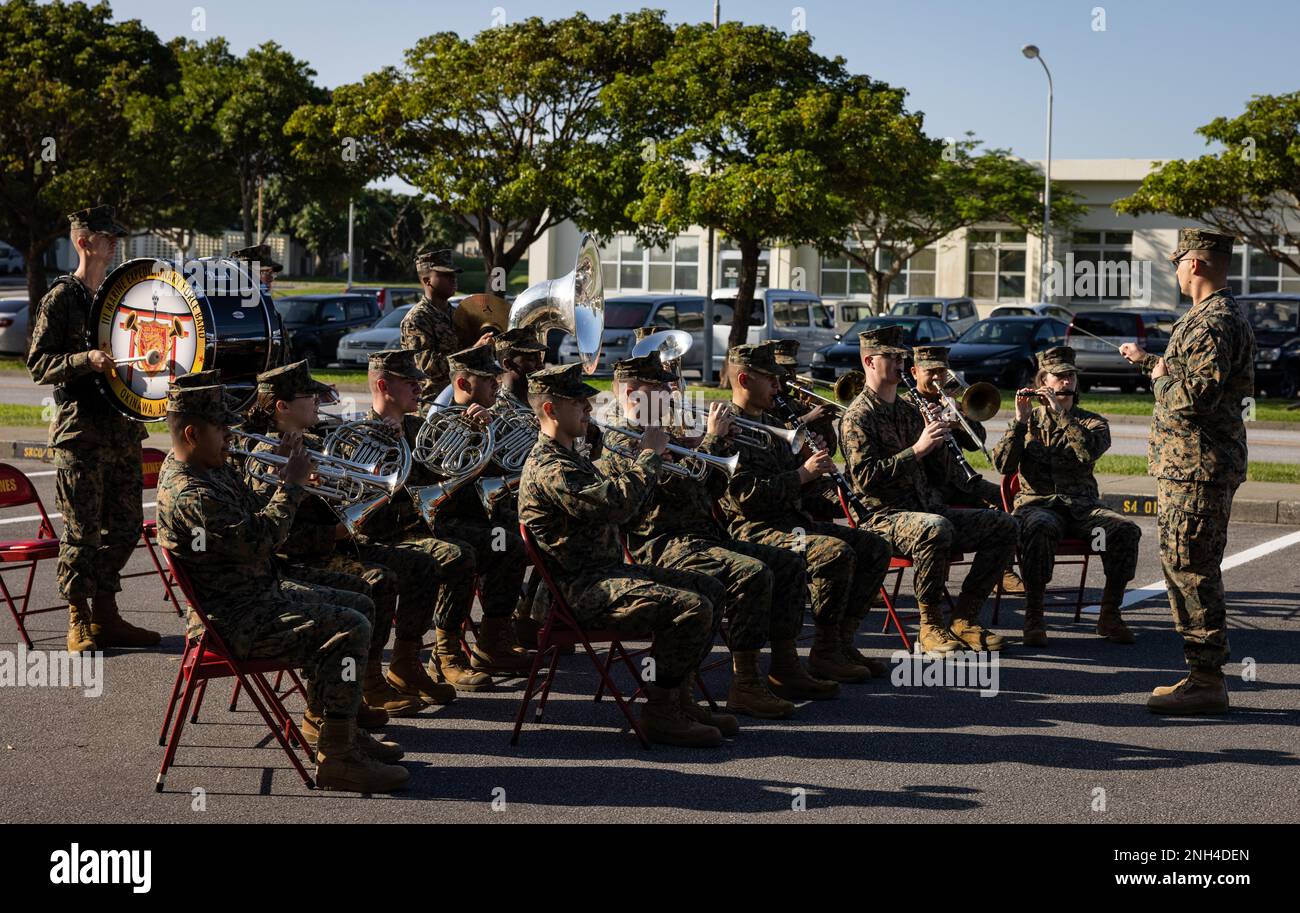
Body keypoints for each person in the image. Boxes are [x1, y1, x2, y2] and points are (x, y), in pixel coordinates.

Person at [155, 382, 407, 793]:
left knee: (360, 598)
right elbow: (261, 542)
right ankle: (338, 758)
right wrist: (289, 487)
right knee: (350, 626)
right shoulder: (191, 494)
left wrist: (276, 479)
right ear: (192, 434)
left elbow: (251, 522)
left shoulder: (209, 470)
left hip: (256, 593)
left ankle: (330, 726)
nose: (232, 439)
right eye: (223, 431)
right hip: (235, 620)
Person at [517, 362, 726, 747]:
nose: (588, 408)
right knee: (691, 607)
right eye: (578, 403)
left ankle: (677, 696)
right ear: (549, 410)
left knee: (710, 587)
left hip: (605, 573)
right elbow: (617, 506)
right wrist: (648, 456)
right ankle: (660, 712)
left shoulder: (571, 454)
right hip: (577, 589)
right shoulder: (550, 466)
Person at [600, 354, 800, 719]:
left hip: (702, 535)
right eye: (659, 389)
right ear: (631, 393)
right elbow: (671, 489)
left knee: (786, 563)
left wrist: (719, 446)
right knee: (752, 573)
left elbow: (706, 490)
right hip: (662, 545)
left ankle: (784, 667)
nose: (669, 393)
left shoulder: (662, 430)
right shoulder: (622, 437)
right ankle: (742, 685)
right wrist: (709, 443)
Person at [240, 360, 425, 719]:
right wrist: (338, 529)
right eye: (309, 395)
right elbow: (281, 540)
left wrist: (386, 436)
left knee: (420, 564)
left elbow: (353, 473)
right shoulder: (266, 459)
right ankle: (344, 698)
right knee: (377, 583)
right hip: (298, 561)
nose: (318, 401)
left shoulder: (312, 439)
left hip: (333, 547)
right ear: (282, 406)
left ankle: (375, 679)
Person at [1120, 228, 1255, 715]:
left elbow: (1195, 397)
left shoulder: (1212, 321)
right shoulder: (1210, 317)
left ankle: (1205, 679)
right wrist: (1151, 364)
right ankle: (1202, 674)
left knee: (1191, 569)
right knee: (1189, 565)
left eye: (1177, 262)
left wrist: (1158, 381)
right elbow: (1193, 375)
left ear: (1195, 264)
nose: (1175, 270)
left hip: (1196, 469)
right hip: (1193, 466)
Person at [719, 343, 894, 691]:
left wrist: (823, 476)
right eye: (770, 380)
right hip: (755, 530)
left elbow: (803, 488)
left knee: (874, 546)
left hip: (793, 522)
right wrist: (801, 474)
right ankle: (788, 662)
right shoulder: (727, 429)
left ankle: (836, 644)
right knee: (832, 552)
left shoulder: (773, 423)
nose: (778, 388)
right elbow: (743, 500)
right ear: (743, 379)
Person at [26, 205, 159, 653]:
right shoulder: (62, 298)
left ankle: (107, 612)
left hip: (121, 431)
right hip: (81, 434)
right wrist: (86, 360)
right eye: (108, 236)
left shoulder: (118, 294)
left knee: (124, 528)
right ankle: (79, 618)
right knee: (81, 532)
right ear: (84, 241)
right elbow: (38, 365)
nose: (115, 242)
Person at [840, 325, 1018, 654]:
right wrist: (917, 450)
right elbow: (865, 477)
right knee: (934, 529)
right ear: (869, 361)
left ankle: (965, 617)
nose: (898, 362)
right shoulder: (857, 416)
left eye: (901, 356)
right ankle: (930, 625)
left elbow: (937, 471)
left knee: (1004, 525)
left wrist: (944, 435)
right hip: (882, 517)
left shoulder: (910, 411)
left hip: (926, 507)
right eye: (890, 357)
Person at [991, 347, 1140, 646]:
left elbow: (1086, 453)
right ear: (1043, 381)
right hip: (1037, 505)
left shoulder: (1092, 422)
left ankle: (1109, 615)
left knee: (1125, 531)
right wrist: (1019, 423)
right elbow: (1003, 465)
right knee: (1039, 527)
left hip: (1083, 510)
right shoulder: (1029, 422)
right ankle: (1034, 616)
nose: (1065, 381)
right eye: (1058, 376)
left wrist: (1062, 416)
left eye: (1070, 376)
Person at [362, 349, 489, 695]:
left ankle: (433, 655)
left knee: (463, 553)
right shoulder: (359, 434)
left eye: (419, 381)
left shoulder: (419, 428)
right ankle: (389, 668)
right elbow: (364, 510)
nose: (420, 388)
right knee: (434, 560)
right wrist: (380, 452)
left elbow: (452, 477)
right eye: (410, 382)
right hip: (378, 537)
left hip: (417, 531)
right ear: (384, 385)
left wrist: (474, 432)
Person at [426, 344, 533, 673]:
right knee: (465, 554)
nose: (496, 386)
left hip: (482, 517)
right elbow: (441, 475)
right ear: (462, 384)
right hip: (444, 521)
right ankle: (444, 654)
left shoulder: (497, 417)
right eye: (487, 380)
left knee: (514, 544)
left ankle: (492, 643)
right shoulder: (438, 424)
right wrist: (475, 435)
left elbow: (509, 469)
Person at [911, 345, 1025, 595]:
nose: (936, 378)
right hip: (929, 484)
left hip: (962, 481)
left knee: (1009, 501)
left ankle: (1002, 570)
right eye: (930, 372)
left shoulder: (951, 399)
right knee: (938, 518)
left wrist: (960, 422)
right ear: (914, 372)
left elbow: (977, 442)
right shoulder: (907, 405)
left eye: (941, 372)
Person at [399, 248, 493, 406]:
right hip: (434, 404)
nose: (453, 279)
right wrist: (472, 350)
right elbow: (427, 367)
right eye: (445, 275)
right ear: (427, 280)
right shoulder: (417, 319)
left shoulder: (458, 314)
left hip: (464, 399)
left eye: (454, 274)